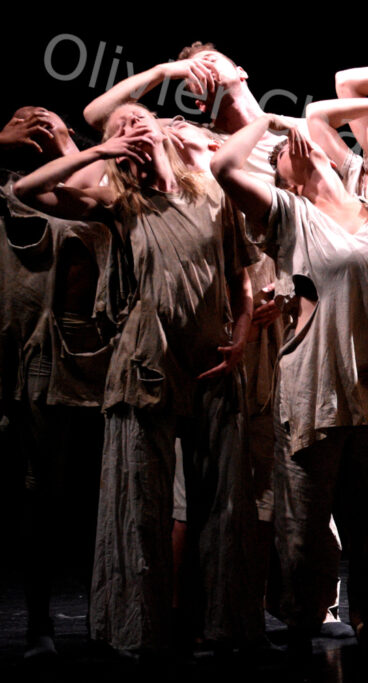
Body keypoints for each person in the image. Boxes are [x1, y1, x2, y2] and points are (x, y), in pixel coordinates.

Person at [13, 103, 263, 655]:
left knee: (221, 503)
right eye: (120, 126)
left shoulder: (210, 193)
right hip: (146, 359)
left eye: (140, 117)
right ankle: (138, 628)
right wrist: (97, 153)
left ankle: (220, 625)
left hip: (213, 359)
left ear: (165, 128)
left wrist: (242, 339)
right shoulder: (117, 201)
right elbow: (26, 193)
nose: (133, 125)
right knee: (140, 500)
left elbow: (240, 281)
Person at [212, 111, 368, 664]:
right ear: (285, 176)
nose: (299, 143)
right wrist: (270, 122)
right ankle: (301, 633)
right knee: (303, 538)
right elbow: (224, 164)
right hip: (316, 394)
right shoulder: (290, 214)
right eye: (284, 150)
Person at [0, 107, 115, 659]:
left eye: (46, 115)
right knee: (41, 493)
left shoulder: (99, 183)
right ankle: (40, 620)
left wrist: (73, 140)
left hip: (103, 357)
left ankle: (113, 616)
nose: (36, 120)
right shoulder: (11, 190)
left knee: (108, 492)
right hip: (37, 359)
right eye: (24, 116)